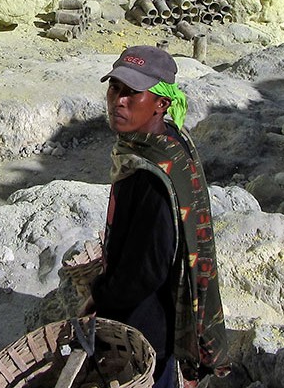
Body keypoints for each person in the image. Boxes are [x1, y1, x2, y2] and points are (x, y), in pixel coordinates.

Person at [85, 45, 229, 387]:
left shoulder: (151, 176)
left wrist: (101, 295)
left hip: (148, 324)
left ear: (161, 104)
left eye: (132, 93)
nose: (118, 100)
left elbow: (146, 269)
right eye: (114, 88)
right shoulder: (165, 143)